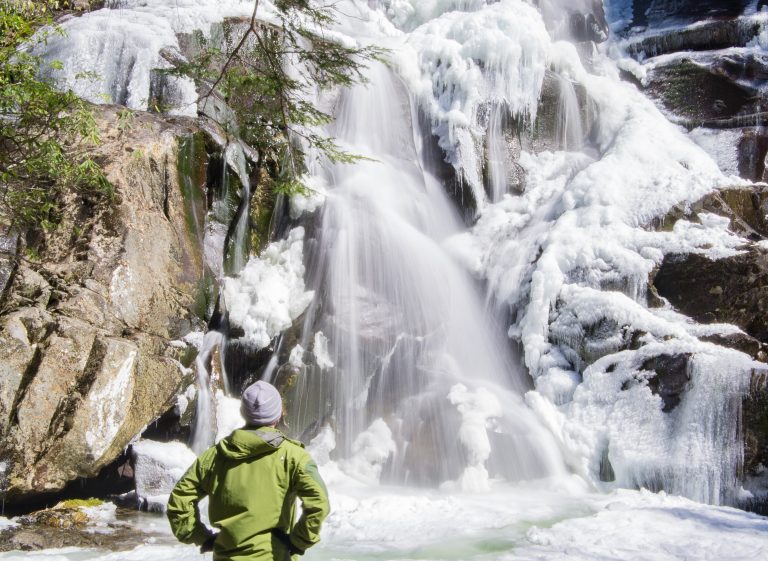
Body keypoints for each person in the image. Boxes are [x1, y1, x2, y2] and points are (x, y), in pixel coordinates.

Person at [167, 380, 330, 560]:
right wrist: (298, 542)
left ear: (244, 413)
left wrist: (201, 537)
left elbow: (179, 500)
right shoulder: (295, 457)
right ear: (278, 416)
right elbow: (319, 504)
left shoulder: (215, 456)